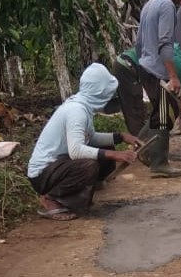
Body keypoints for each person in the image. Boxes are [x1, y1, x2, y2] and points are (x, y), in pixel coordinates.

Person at [27, 63, 140, 221]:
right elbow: (76, 151)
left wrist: (120, 137)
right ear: (100, 91)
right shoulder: (76, 111)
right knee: (89, 165)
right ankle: (52, 199)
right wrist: (114, 154)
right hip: (43, 174)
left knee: (104, 149)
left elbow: (90, 137)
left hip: (56, 166)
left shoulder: (82, 106)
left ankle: (84, 190)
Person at [115, 42, 181, 170]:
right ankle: (148, 154)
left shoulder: (178, 57)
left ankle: (143, 149)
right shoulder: (180, 65)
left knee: (165, 108)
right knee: (146, 112)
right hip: (128, 66)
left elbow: (171, 91)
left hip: (138, 67)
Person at [135, 0, 181, 177]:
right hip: (156, 68)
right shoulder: (167, 6)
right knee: (163, 114)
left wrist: (143, 62)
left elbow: (139, 41)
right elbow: (165, 43)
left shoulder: (150, 4)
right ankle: (159, 162)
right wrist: (173, 76)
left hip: (145, 66)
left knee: (160, 111)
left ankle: (142, 148)